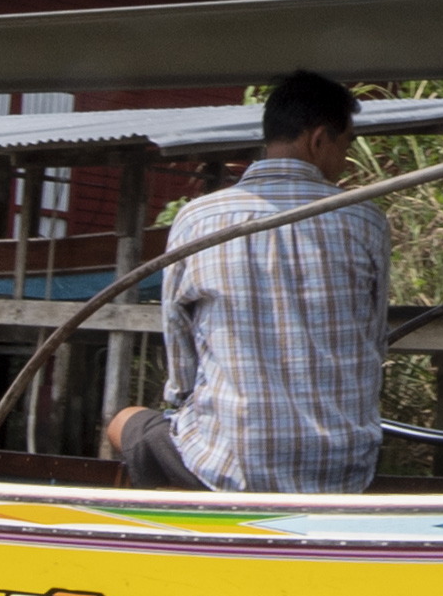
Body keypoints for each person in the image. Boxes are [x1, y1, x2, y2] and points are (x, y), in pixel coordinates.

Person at [106, 72, 389, 492]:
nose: (345, 158)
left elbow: (181, 364)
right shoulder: (365, 222)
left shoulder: (198, 219)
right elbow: (373, 338)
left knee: (123, 421)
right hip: (341, 470)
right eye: (345, 143)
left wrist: (184, 402)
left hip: (225, 465)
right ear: (317, 140)